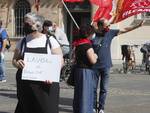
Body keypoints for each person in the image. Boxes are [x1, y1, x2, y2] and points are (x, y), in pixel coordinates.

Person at [12, 12, 64, 113]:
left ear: (38, 25)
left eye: (27, 23)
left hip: (46, 87)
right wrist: (17, 63)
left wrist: (51, 75)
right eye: (24, 23)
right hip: (26, 87)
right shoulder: (22, 42)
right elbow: (14, 60)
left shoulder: (50, 41)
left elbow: (60, 61)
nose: (24, 26)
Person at [92, 18, 144, 113]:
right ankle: (93, 107)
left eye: (109, 25)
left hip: (106, 65)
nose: (108, 27)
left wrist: (137, 26)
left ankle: (101, 108)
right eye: (106, 26)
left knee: (104, 88)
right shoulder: (92, 34)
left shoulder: (110, 33)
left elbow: (125, 29)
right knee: (94, 88)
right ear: (100, 26)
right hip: (94, 66)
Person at [72, 25, 98, 113]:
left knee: (79, 93)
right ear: (90, 34)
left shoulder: (78, 44)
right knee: (85, 93)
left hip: (78, 71)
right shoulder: (87, 45)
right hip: (85, 72)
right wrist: (95, 56)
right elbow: (93, 60)